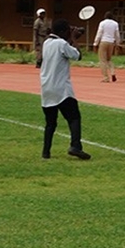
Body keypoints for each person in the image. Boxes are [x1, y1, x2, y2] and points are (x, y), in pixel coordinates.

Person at [39, 19, 91, 160]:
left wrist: (70, 38)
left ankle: (46, 152)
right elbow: (77, 55)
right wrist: (73, 38)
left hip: (46, 88)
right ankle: (75, 146)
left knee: (50, 123)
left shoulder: (47, 43)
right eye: (68, 30)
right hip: (61, 89)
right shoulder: (61, 44)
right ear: (63, 32)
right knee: (74, 117)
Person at [92, 10, 120, 83]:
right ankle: (113, 72)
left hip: (104, 41)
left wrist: (95, 44)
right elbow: (117, 34)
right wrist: (118, 43)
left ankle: (106, 77)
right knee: (109, 59)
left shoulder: (102, 23)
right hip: (111, 42)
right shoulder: (115, 24)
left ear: (105, 16)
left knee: (103, 60)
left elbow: (99, 33)